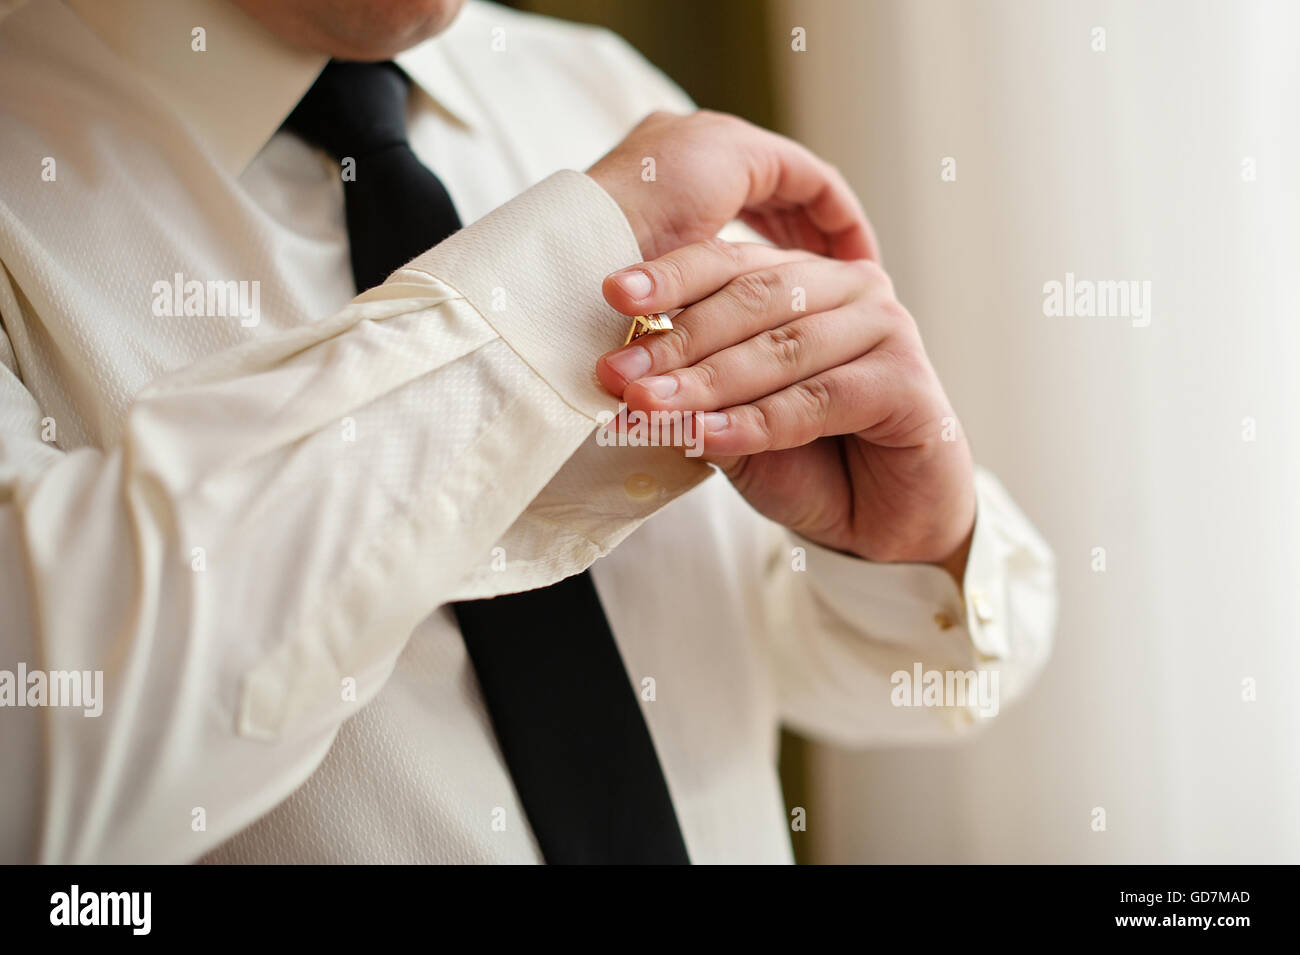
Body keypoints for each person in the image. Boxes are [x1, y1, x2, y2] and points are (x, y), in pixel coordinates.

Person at [0, 0, 1055, 864]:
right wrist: (559, 271)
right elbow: (39, 772)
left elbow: (829, 672)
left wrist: (902, 547)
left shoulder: (596, 89)